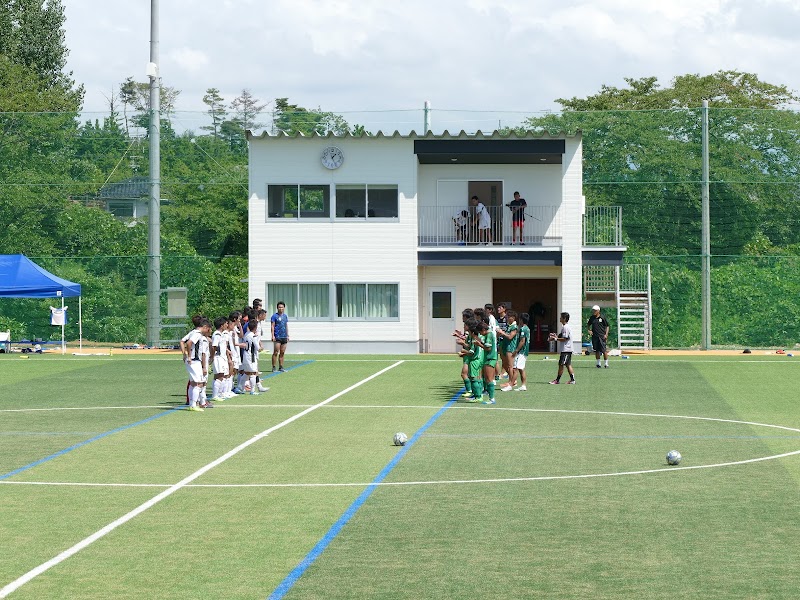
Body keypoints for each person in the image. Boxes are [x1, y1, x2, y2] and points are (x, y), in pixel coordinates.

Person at [180, 317, 212, 412]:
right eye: (209, 329)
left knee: (193, 383)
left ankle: (192, 403)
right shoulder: (198, 334)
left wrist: (184, 354)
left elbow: (182, 341)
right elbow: (189, 343)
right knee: (199, 383)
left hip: (192, 360)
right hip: (194, 360)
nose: (209, 331)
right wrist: (189, 356)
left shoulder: (193, 332)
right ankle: (193, 405)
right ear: (205, 327)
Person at [549, 312, 576, 384]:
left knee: (561, 364)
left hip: (566, 349)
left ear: (564, 319)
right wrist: (555, 336)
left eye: (561, 317)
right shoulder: (565, 327)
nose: (560, 318)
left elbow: (565, 338)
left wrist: (555, 339)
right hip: (567, 349)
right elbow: (561, 337)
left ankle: (557, 380)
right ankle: (572, 380)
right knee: (568, 364)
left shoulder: (565, 327)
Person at [498, 310, 519, 392]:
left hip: (511, 348)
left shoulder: (514, 327)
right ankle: (512, 381)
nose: (507, 319)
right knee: (506, 365)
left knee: (510, 366)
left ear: (513, 318)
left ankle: (512, 382)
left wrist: (502, 333)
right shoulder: (509, 326)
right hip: (506, 347)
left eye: (508, 317)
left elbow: (510, 337)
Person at [511, 312, 530, 392]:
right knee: (521, 369)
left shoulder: (523, 329)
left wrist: (516, 350)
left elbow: (522, 341)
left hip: (521, 352)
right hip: (524, 351)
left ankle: (511, 385)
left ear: (521, 320)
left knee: (516, 368)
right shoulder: (526, 328)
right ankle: (523, 385)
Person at [271, 301, 289, 372]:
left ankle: (281, 366)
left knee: (282, 352)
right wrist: (272, 335)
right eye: (279, 307)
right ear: (277, 308)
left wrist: (287, 335)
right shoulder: (274, 316)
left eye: (282, 307)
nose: (280, 308)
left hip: (284, 336)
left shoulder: (285, 316)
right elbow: (272, 326)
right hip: (277, 336)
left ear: (284, 308)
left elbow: (286, 325)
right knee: (276, 352)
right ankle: (274, 367)